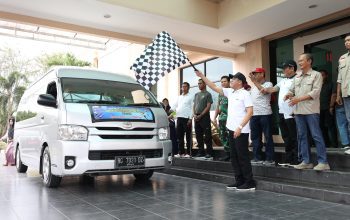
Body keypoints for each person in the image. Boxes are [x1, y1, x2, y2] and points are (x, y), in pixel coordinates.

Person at [195, 70, 255, 191]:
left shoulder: (245, 94)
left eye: (233, 80)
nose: (231, 81)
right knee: (233, 156)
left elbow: (250, 112)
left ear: (240, 82)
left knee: (242, 156)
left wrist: (240, 127)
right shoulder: (230, 92)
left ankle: (249, 182)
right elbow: (213, 86)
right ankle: (239, 181)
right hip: (231, 130)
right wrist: (202, 76)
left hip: (241, 131)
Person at [285, 53, 330, 170]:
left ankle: (323, 162)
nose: (299, 63)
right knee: (302, 136)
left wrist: (297, 99)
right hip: (299, 111)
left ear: (309, 61)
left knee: (316, 136)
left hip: (311, 111)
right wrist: (288, 95)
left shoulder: (316, 75)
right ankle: (306, 161)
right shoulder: (298, 77)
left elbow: (315, 93)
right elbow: (291, 90)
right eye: (299, 61)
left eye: (301, 61)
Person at [261, 60, 299, 166]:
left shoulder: (298, 79)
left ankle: (296, 159)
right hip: (282, 113)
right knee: (286, 136)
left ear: (292, 68)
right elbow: (273, 89)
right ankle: (289, 158)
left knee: (294, 136)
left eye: (285, 67)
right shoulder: (283, 81)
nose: (283, 70)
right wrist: (264, 89)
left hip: (292, 113)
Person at [249, 68, 275, 166]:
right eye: (254, 74)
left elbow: (264, 91)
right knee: (255, 137)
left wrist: (254, 82)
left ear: (262, 74)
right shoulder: (253, 86)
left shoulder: (268, 84)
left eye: (256, 73)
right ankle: (257, 157)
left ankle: (270, 158)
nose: (254, 75)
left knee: (268, 136)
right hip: (254, 115)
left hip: (265, 114)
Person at [336, 34, 350, 155]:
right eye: (345, 41)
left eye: (349, 40)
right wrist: (338, 94)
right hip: (346, 93)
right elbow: (339, 78)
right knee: (349, 119)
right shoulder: (342, 58)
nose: (346, 42)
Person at [171, 82, 193, 158]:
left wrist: (190, 118)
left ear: (188, 87)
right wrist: (172, 115)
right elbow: (174, 108)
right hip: (179, 118)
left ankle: (189, 153)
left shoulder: (191, 96)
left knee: (188, 136)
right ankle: (181, 153)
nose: (183, 88)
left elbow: (192, 108)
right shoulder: (179, 97)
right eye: (182, 87)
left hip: (187, 118)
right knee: (179, 136)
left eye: (185, 86)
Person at [193, 79, 213, 159]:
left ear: (204, 84)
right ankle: (201, 151)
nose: (199, 85)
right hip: (196, 117)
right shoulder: (196, 94)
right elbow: (194, 105)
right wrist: (194, 114)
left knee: (207, 135)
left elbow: (208, 107)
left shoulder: (208, 94)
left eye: (200, 83)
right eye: (198, 83)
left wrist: (201, 115)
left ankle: (209, 152)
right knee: (198, 135)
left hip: (204, 117)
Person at [213, 76, 230, 161]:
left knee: (230, 137)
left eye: (225, 81)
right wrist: (214, 117)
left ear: (229, 82)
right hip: (222, 118)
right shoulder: (220, 93)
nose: (223, 83)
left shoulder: (231, 92)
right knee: (223, 136)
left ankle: (233, 155)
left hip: (230, 119)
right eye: (221, 82)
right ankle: (227, 154)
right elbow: (218, 106)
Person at [319, 70, 337, 148]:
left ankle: (334, 145)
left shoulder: (331, 84)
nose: (321, 77)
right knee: (322, 127)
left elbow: (334, 95)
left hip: (328, 108)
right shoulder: (318, 85)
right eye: (320, 75)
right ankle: (326, 144)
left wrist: (331, 107)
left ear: (326, 76)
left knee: (331, 126)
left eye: (322, 75)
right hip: (319, 109)